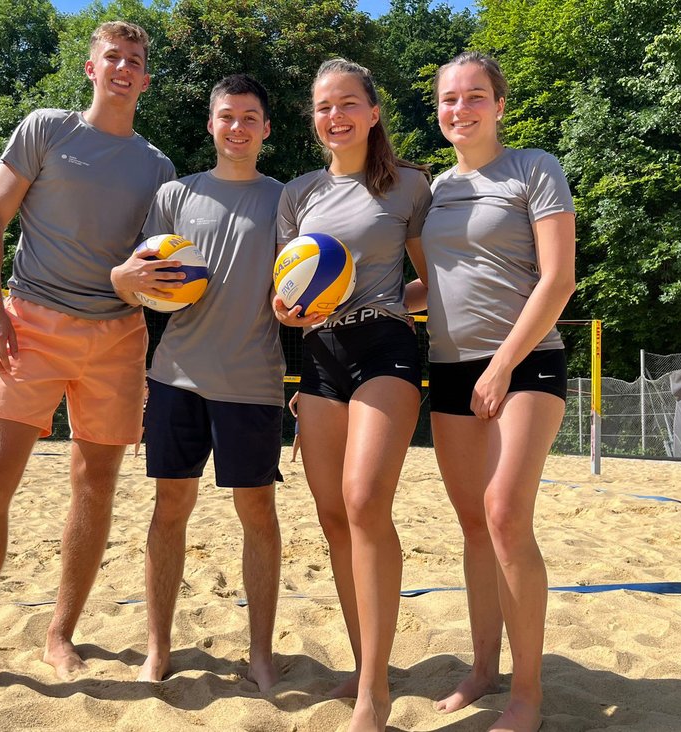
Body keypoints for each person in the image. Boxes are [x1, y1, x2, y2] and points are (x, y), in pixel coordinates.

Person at [0, 20, 177, 704]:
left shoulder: (158, 168)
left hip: (118, 336)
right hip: (29, 321)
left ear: (146, 80)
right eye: (113, 57)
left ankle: (61, 633)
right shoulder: (47, 128)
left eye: (136, 60)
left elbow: (158, 268)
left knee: (94, 486)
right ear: (91, 69)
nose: (124, 67)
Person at [407, 52, 576, 732]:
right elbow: (431, 289)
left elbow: (558, 280)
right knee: (474, 525)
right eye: (449, 99)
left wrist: (503, 364)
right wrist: (355, 303)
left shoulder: (534, 168)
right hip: (451, 367)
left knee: (505, 513)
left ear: (499, 105)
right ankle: (483, 669)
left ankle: (527, 695)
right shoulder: (434, 190)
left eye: (474, 96)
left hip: (527, 361)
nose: (460, 109)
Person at [274, 58, 431, 731]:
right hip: (320, 354)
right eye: (321, 107)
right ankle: (367, 660)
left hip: (385, 344)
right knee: (334, 516)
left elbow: (438, 281)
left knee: (367, 502)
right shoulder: (299, 193)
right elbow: (286, 290)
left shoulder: (410, 186)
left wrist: (395, 298)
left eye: (346, 104)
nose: (332, 116)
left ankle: (373, 692)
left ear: (372, 112)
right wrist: (284, 309)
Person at [116, 74, 285, 692]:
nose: (236, 127)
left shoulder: (285, 198)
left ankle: (260, 655)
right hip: (175, 378)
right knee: (169, 512)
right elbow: (136, 285)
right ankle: (158, 648)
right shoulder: (174, 196)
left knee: (258, 514)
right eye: (226, 116)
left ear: (266, 129)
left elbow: (299, 287)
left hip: (253, 381)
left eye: (249, 117)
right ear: (209, 125)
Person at [288, 391, 301, 463]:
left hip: (314, 418)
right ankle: (293, 458)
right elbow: (291, 403)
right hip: (301, 418)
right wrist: (295, 414)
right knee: (297, 436)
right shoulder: (300, 392)